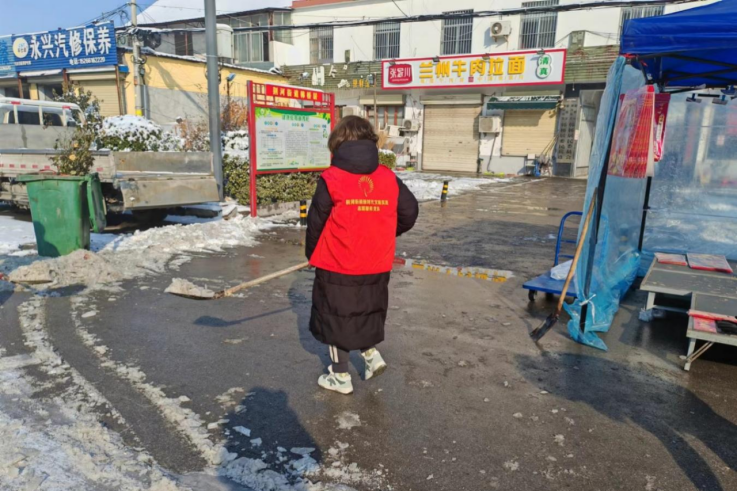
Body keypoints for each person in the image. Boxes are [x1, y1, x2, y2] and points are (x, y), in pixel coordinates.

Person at [306, 116, 419, 395]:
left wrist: (312, 254)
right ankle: (371, 356)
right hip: (376, 262)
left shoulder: (332, 178)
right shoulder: (387, 177)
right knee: (365, 310)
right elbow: (409, 212)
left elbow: (316, 222)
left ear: (338, 142)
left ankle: (340, 376)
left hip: (338, 263)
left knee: (336, 317)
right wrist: (383, 233)